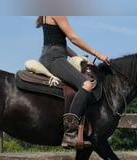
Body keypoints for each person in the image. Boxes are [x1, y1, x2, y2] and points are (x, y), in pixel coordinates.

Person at [36, 16, 110, 149]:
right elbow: (73, 38)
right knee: (86, 84)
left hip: (52, 56)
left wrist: (79, 58)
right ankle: (70, 134)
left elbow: (61, 43)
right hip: (55, 59)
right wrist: (98, 54)